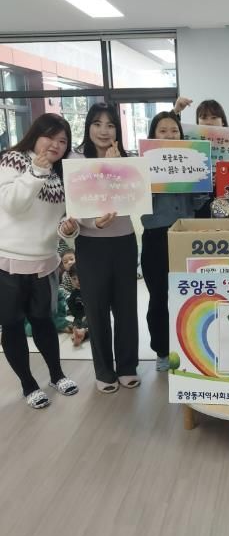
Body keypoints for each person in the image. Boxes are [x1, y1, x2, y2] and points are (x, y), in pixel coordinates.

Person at [0, 113, 79, 409]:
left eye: (63, 141)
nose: (55, 145)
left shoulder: (61, 175)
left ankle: (57, 375)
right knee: (12, 325)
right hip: (8, 261)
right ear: (35, 135)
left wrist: (67, 231)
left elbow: (57, 222)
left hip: (44, 262)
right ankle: (28, 384)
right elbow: (12, 204)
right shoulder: (13, 160)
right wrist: (36, 171)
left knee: (44, 322)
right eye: (50, 136)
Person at [73, 103, 140, 393]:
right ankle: (103, 371)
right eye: (97, 124)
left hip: (124, 239)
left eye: (110, 125)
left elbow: (133, 199)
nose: (104, 130)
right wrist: (92, 222)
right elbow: (74, 206)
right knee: (96, 309)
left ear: (117, 130)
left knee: (126, 307)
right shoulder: (75, 159)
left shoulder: (127, 159)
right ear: (88, 127)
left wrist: (117, 167)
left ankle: (127, 366)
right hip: (90, 242)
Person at [141, 112, 207, 371]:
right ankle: (161, 351)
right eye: (163, 131)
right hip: (156, 237)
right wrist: (151, 181)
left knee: (191, 293)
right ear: (153, 135)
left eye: (174, 131)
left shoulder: (191, 159)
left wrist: (201, 184)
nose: (169, 135)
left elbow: (198, 204)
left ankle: (192, 349)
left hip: (187, 236)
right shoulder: (144, 164)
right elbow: (140, 204)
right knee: (159, 296)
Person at [174, 97, 229, 217]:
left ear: (223, 122)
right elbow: (168, 135)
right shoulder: (189, 144)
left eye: (214, 117)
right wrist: (176, 111)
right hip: (197, 206)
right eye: (204, 118)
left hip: (226, 205)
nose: (209, 122)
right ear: (198, 122)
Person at [66, 264, 88, 347]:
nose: (77, 281)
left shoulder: (91, 290)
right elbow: (73, 307)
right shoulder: (74, 294)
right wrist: (79, 316)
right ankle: (77, 334)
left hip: (92, 315)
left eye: (80, 278)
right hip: (80, 316)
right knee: (76, 322)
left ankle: (82, 333)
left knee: (90, 323)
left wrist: (86, 315)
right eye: (74, 279)